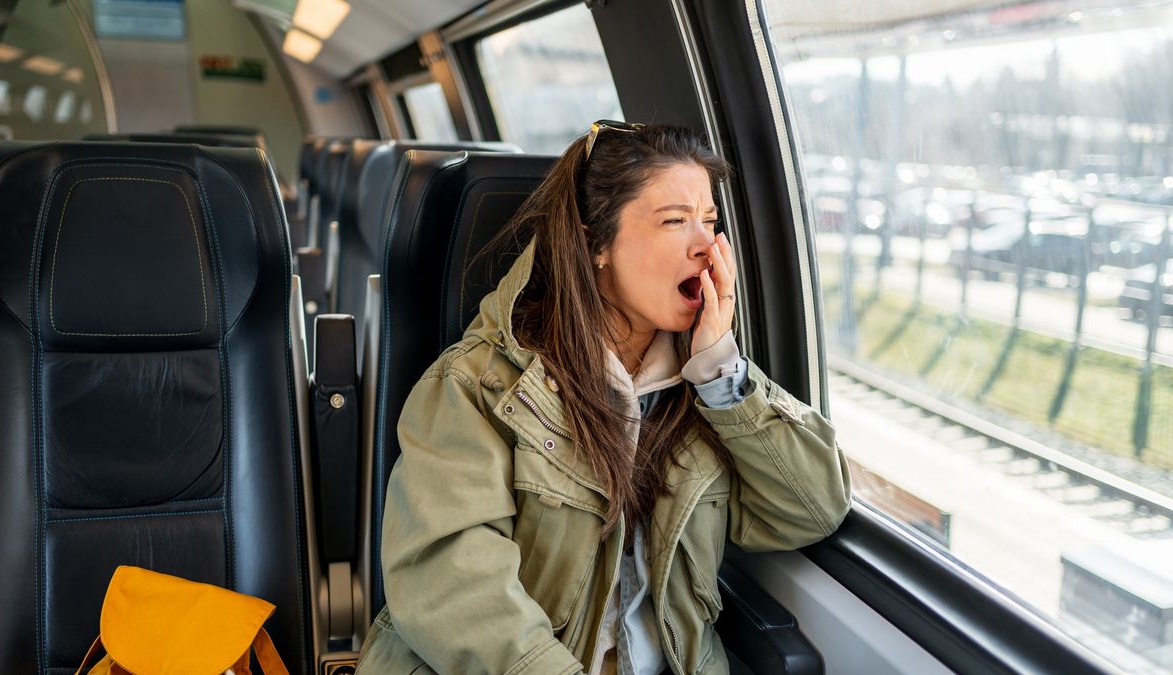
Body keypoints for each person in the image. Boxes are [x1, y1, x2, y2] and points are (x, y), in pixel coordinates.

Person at [356, 122, 851, 675]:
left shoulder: (707, 388)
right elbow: (450, 581)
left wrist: (720, 371)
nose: (705, 246)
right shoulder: (479, 385)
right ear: (595, 244)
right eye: (675, 221)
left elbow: (812, 510)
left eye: (710, 222)